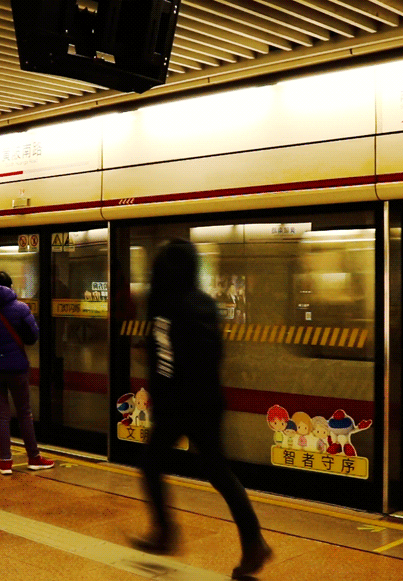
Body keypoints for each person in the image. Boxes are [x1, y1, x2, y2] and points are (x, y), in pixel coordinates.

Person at [131, 239, 272, 580]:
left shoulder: (165, 305)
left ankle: (164, 532)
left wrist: (161, 397)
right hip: (208, 399)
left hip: (179, 402)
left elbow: (165, 362)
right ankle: (253, 542)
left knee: (151, 465)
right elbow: (212, 354)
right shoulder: (205, 303)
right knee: (219, 472)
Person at [0, 271, 54, 475]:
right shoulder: (20, 308)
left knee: (1, 415)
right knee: (24, 413)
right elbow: (32, 337)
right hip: (17, 368)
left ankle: (5, 461)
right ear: (10, 286)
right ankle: (34, 458)